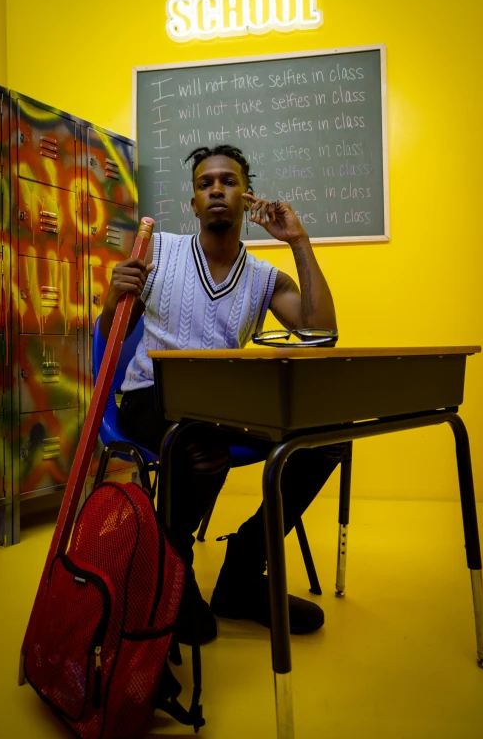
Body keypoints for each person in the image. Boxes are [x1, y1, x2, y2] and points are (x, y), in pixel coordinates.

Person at [100, 144, 346, 645]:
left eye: (228, 181)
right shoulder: (159, 251)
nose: (216, 188)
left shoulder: (261, 278)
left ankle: (241, 570)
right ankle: (174, 569)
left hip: (222, 406)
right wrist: (111, 298)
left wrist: (298, 241)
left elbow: (322, 335)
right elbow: (111, 334)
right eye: (204, 183)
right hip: (152, 396)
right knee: (201, 445)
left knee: (329, 438)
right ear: (193, 202)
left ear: (245, 197)